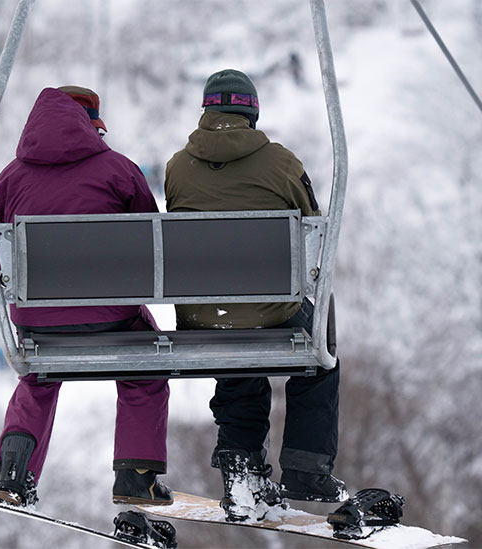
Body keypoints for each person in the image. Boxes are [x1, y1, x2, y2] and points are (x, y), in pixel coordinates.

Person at [164, 69, 347, 520]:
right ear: (253, 111)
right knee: (318, 348)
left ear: (206, 111)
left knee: (232, 333)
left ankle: (240, 468)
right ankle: (305, 467)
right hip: (271, 310)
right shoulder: (281, 163)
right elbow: (314, 228)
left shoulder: (176, 167)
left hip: (204, 316)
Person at [0, 86, 173, 508]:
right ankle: (135, 478)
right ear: (93, 125)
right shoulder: (119, 170)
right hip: (111, 316)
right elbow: (150, 235)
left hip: (37, 318)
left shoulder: (11, 176)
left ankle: (12, 474)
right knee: (145, 367)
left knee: (37, 376)